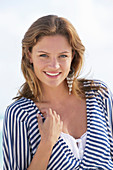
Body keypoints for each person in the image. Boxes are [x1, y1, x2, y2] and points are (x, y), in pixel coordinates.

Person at [2, 15, 113, 170]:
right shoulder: (20, 114)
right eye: (43, 55)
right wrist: (47, 143)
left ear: (73, 55)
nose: (54, 65)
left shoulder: (99, 94)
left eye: (62, 56)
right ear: (29, 55)